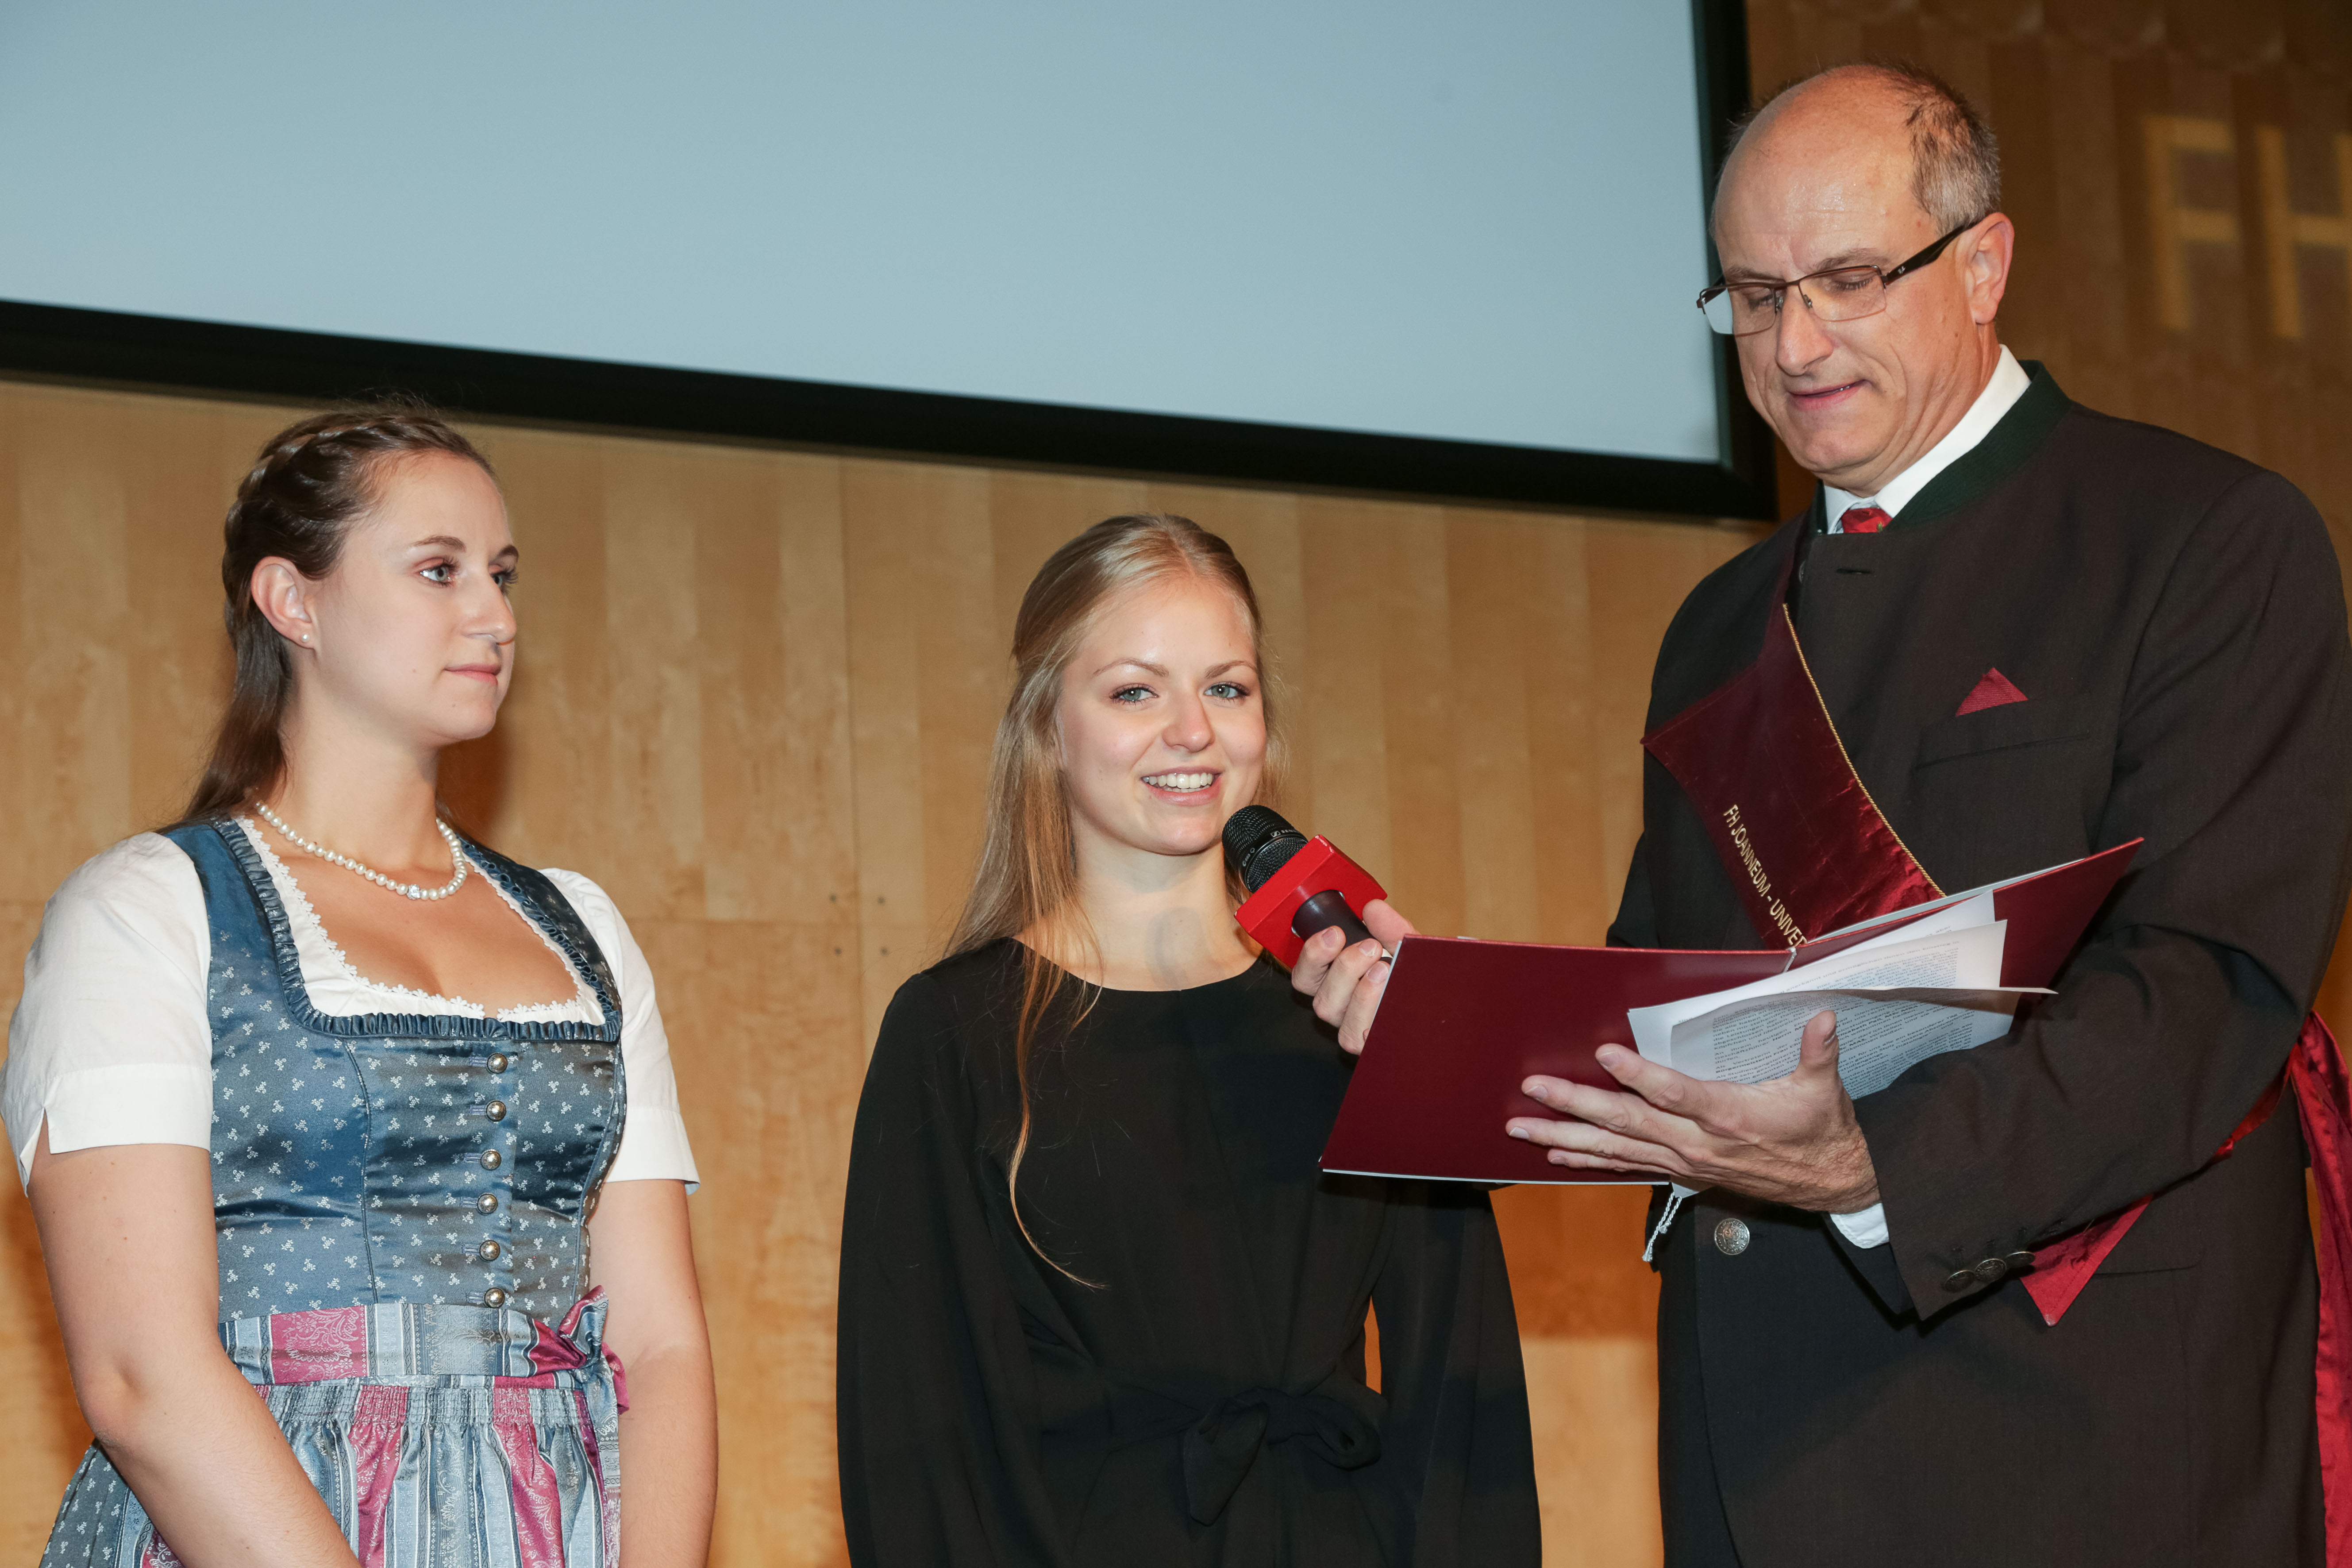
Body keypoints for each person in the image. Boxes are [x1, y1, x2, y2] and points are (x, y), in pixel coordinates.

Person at [1296, 62, 2352, 1568]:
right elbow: (1659, 1007)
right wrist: (1444, 1024)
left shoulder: (2200, 541)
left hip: (2081, 1436)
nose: (1792, 344)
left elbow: (2204, 993)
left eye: (1847, 280)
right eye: (1750, 293)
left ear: (1981, 263)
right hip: (1755, 1438)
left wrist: (1874, 1166)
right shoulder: (1720, 626)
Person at [4, 405, 717, 1567]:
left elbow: (663, 1346)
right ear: (294, 602)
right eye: (438, 571)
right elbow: (142, 1375)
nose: (494, 615)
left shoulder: (579, 928)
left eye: (500, 574)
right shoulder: (149, 912)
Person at [835, 514, 1539, 1566]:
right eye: (1135, 690)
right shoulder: (954, 1033)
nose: (1193, 731)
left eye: (1227, 686)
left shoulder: (1350, 1006)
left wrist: (1439, 1063)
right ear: (1046, 725)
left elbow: (1462, 1376)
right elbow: (917, 1440)